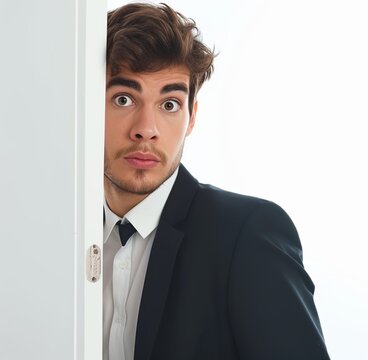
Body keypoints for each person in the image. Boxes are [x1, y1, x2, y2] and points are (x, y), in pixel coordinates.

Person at [102, 3, 330, 359]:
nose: (145, 129)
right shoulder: (52, 237)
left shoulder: (247, 234)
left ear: (192, 116)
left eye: (169, 105)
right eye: (124, 98)